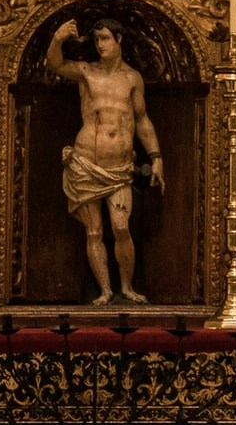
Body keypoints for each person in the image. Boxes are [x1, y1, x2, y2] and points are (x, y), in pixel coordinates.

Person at [49, 15, 163, 304]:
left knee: (122, 227)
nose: (100, 45)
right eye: (97, 39)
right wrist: (58, 39)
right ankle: (105, 290)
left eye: (105, 39)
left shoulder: (132, 78)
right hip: (87, 163)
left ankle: (126, 287)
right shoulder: (87, 72)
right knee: (94, 230)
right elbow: (55, 64)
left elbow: (142, 119)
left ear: (119, 40)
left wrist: (156, 157)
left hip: (120, 167)